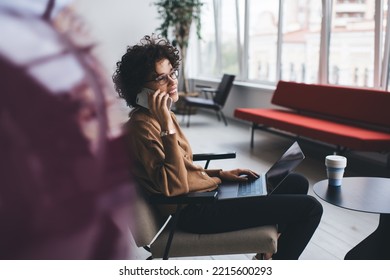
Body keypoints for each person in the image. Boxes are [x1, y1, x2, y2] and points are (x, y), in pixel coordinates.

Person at [112, 34, 323, 260]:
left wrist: (220, 174)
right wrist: (166, 127)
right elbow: (174, 187)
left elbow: (182, 167)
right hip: (196, 211)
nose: (173, 82)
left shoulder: (161, 117)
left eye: (172, 73)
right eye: (161, 78)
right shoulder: (143, 128)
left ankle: (265, 257)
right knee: (310, 209)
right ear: (140, 89)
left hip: (206, 195)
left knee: (295, 181)